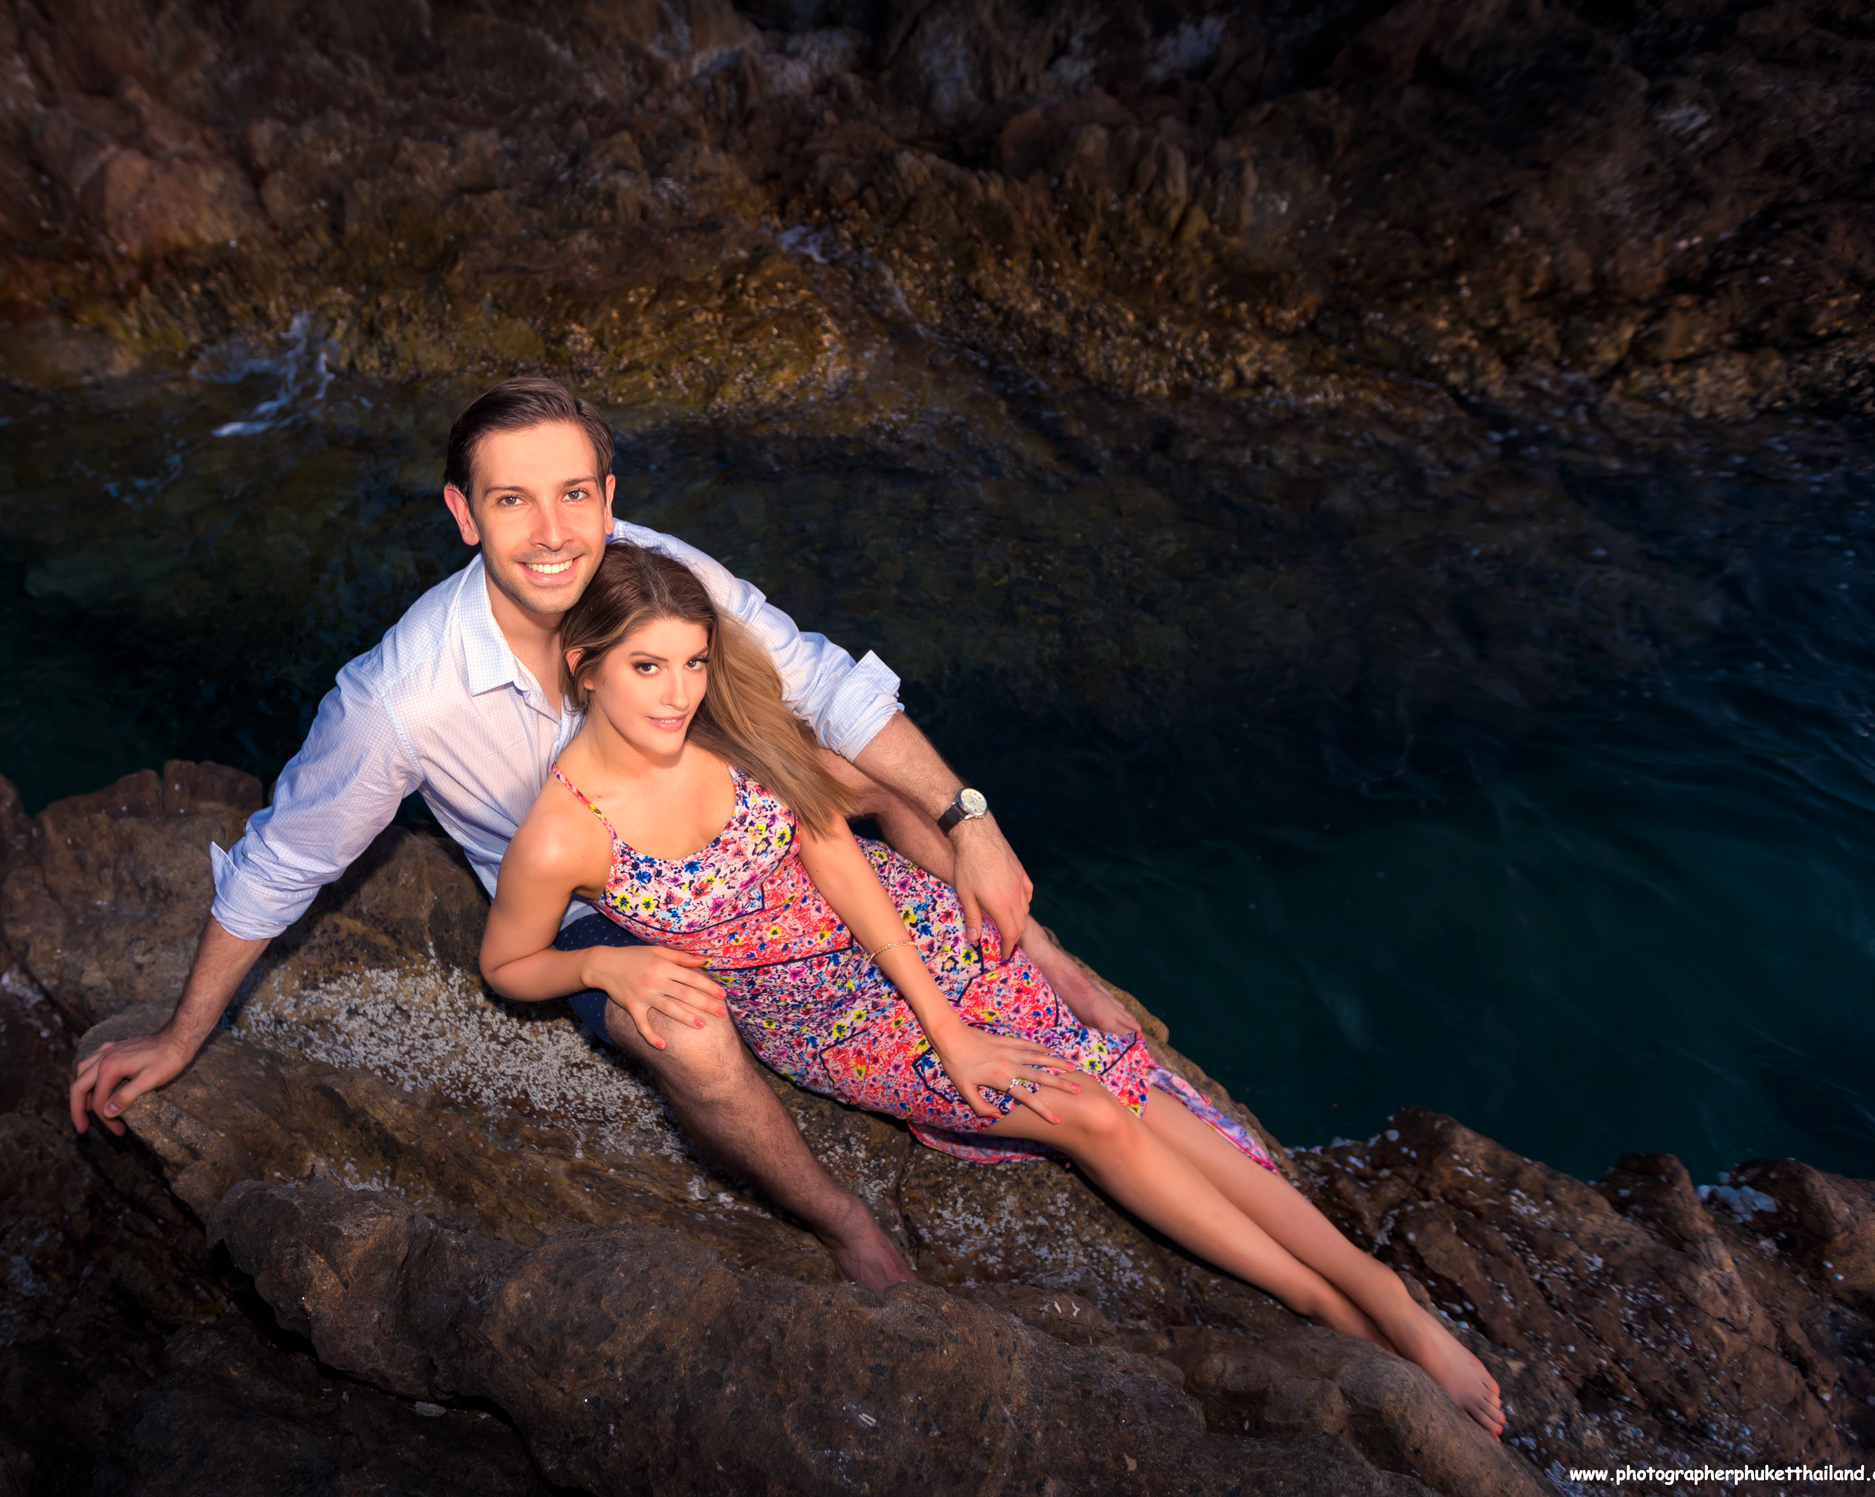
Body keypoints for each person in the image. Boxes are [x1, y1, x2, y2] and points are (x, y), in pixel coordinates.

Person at [69, 376, 1137, 1290]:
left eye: (574, 494)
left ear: (607, 496)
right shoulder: (401, 699)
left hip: (713, 810)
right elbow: (286, 860)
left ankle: (1041, 955)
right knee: (691, 1035)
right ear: (464, 514)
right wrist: (181, 1035)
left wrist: (970, 817)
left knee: (884, 775)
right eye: (513, 500)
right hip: (594, 902)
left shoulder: (650, 566)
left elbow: (819, 680)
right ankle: (840, 1217)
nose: (553, 533)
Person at [477, 542, 1508, 1440]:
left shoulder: (729, 735)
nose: (677, 693)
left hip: (899, 931)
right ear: (585, 664)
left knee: (1123, 1074)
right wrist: (602, 962)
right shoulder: (565, 832)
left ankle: (1379, 1291)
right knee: (1085, 1109)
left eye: (694, 662)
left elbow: (844, 864)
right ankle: (1318, 1298)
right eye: (648, 667)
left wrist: (949, 1019)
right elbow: (508, 965)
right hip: (814, 1013)